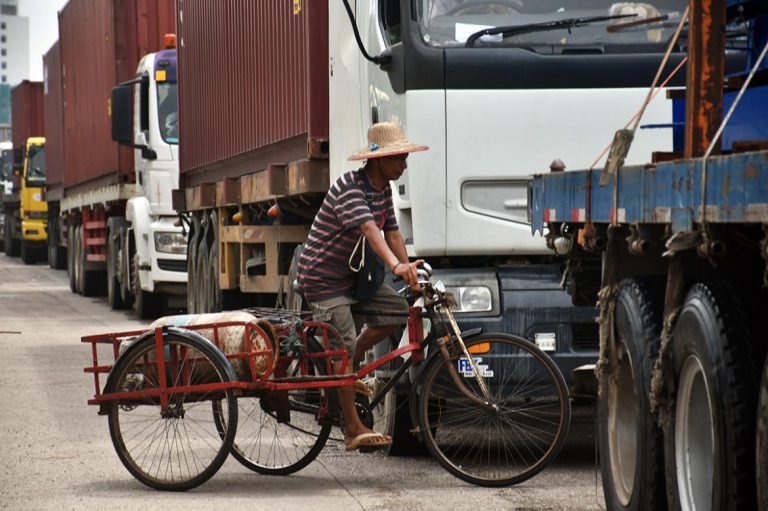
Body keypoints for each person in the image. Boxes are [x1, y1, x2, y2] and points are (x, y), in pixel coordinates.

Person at [297, 122, 427, 452]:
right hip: (324, 279)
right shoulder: (349, 188)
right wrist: (396, 266)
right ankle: (352, 427)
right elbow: (371, 229)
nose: (404, 164)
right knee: (344, 343)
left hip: (356, 279)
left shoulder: (383, 192)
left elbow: (393, 233)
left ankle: (347, 370)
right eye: (398, 158)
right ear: (378, 160)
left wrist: (408, 267)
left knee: (398, 313)